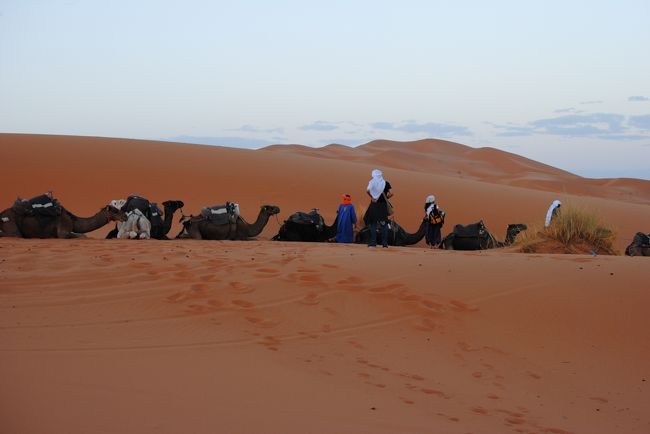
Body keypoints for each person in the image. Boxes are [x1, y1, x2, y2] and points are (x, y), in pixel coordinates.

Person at [364, 169, 393, 247]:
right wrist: (386, 198)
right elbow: (391, 193)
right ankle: (385, 243)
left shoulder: (372, 182)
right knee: (384, 224)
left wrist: (372, 197)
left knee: (373, 224)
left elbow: (367, 190)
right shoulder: (386, 183)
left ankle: (373, 242)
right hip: (383, 206)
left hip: (374, 205)